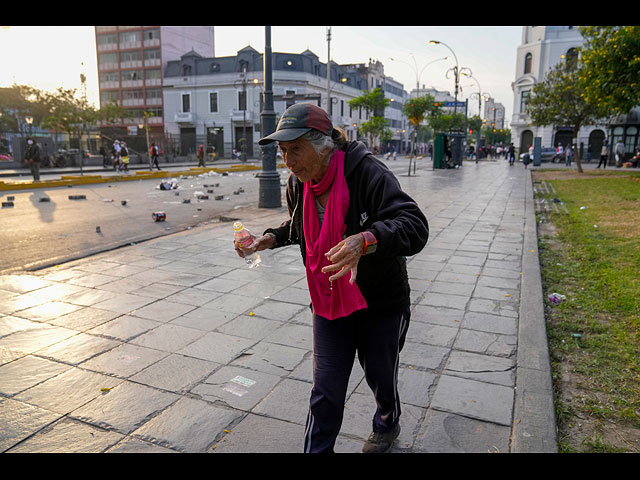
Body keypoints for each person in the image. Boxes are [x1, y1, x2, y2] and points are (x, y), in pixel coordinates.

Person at [235, 103, 429, 453]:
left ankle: (387, 421)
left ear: (323, 144)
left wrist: (365, 239)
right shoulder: (299, 183)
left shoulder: (368, 172)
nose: (288, 161)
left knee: (381, 378)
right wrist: (270, 238)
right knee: (325, 389)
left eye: (296, 149)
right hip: (327, 299)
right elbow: (301, 225)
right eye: (282, 152)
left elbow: (415, 225)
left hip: (378, 301)